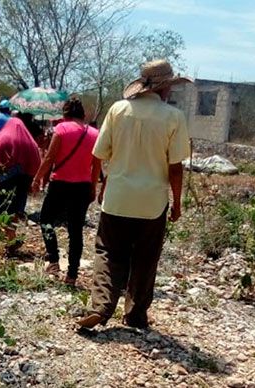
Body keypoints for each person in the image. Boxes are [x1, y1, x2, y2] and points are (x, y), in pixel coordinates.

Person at [77, 59, 191, 329]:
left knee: (108, 252)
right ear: (165, 89)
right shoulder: (173, 117)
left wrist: (102, 187)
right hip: (152, 202)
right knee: (145, 256)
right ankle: (136, 314)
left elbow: (101, 155)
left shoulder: (118, 110)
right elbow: (175, 168)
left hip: (117, 197)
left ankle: (101, 308)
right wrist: (176, 203)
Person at [31, 96, 100, 285]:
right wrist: (93, 188)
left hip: (60, 184)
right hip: (83, 186)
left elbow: (49, 159)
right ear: (83, 114)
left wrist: (37, 178)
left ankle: (53, 259)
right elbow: (97, 165)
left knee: (45, 219)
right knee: (76, 230)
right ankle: (72, 274)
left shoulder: (60, 129)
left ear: (65, 113)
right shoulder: (95, 134)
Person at [0, 115, 41, 253]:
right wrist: (33, 179)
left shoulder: (5, 136)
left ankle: (10, 238)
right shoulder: (30, 141)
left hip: (8, 173)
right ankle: (10, 236)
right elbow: (37, 160)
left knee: (4, 206)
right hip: (25, 176)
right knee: (16, 207)